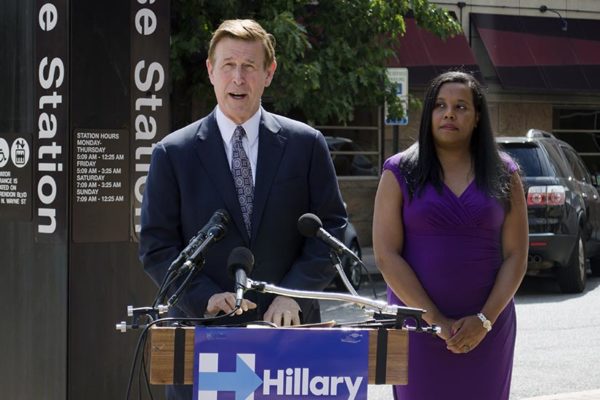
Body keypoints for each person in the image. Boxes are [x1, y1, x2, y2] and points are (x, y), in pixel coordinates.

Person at [139, 19, 347, 399]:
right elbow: (157, 247)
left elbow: (331, 230)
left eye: (249, 67)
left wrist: (293, 293)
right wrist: (203, 297)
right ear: (210, 71)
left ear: (269, 73)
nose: (238, 78)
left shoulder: (306, 145)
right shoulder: (173, 153)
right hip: (206, 341)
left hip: (291, 342)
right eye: (228, 65)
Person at [372, 71, 528, 399]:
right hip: (418, 327)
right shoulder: (399, 171)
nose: (449, 113)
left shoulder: (505, 173)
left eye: (461, 106)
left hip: (488, 328)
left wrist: (484, 320)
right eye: (440, 105)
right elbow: (387, 256)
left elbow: (516, 256)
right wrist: (437, 321)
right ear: (428, 113)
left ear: (477, 118)